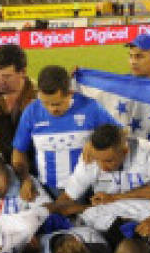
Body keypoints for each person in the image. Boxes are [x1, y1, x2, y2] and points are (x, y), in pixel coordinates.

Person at [11, 65, 115, 198]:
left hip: (88, 189)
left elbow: (120, 133)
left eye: (56, 104)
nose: (51, 109)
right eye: (45, 103)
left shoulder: (90, 107)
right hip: (48, 190)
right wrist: (25, 179)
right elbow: (19, 151)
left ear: (70, 93)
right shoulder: (31, 112)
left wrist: (95, 143)